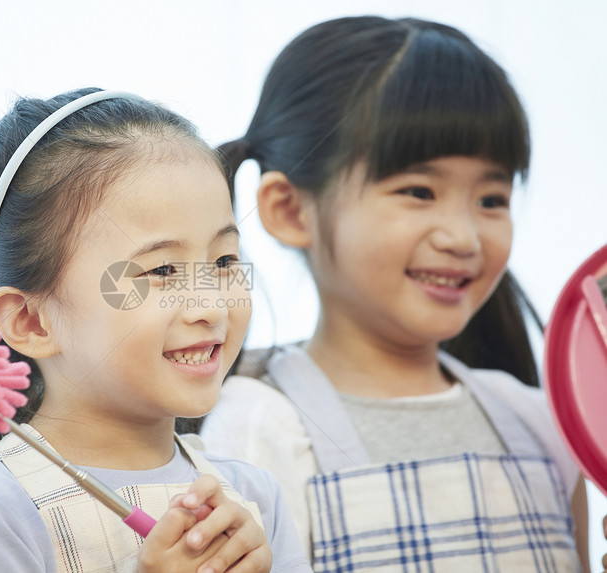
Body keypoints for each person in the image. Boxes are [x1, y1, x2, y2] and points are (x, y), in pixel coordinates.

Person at [0, 88, 310, 573]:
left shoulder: (253, 498)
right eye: (163, 270)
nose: (211, 305)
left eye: (225, 261)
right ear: (30, 321)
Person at [200, 16, 590, 572]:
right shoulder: (260, 425)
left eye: (491, 199)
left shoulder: (540, 423)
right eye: (418, 191)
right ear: (289, 210)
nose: (463, 237)